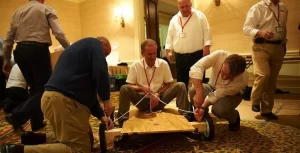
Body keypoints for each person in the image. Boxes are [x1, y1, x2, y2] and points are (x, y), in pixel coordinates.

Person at [0, 37, 115, 153]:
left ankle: (34, 138)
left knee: (85, 138)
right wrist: (106, 101)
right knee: (79, 149)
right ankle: (17, 151)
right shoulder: (94, 43)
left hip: (49, 99)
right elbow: (101, 71)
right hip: (65, 102)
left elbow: (90, 95)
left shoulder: (77, 55)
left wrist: (101, 116)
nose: (103, 57)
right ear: (101, 43)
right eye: (104, 53)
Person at [2, 0, 70, 132]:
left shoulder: (18, 11)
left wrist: (6, 59)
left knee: (34, 89)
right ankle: (16, 115)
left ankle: (37, 123)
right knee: (46, 90)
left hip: (20, 51)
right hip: (38, 51)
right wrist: (70, 49)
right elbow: (59, 33)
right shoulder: (46, 9)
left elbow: (9, 37)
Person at [117, 39, 190, 127]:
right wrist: (141, 88)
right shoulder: (136, 65)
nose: (153, 57)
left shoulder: (163, 64)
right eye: (149, 54)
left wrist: (158, 94)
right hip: (142, 101)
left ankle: (185, 117)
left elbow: (168, 84)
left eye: (154, 53)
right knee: (124, 88)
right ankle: (123, 121)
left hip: (159, 100)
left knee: (181, 85)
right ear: (142, 54)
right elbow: (130, 85)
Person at [243, 0, 288, 120]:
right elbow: (246, 28)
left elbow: (283, 27)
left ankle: (267, 110)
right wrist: (260, 32)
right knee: (264, 74)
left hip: (278, 47)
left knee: (272, 80)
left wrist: (284, 44)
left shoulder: (283, 7)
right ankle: (255, 100)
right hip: (260, 46)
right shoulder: (257, 8)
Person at [189, 50, 248, 131]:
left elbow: (218, 94)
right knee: (194, 91)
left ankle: (234, 117)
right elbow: (196, 67)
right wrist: (199, 92)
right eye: (223, 72)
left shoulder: (243, 80)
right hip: (212, 86)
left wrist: (203, 106)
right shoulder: (219, 55)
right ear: (223, 63)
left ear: (238, 74)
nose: (224, 77)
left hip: (231, 95)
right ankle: (203, 118)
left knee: (218, 110)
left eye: (229, 77)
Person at [165, 0, 212, 90]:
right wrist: (168, 50)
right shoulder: (174, 19)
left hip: (197, 55)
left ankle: (199, 103)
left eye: (187, 6)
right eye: (182, 7)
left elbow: (207, 32)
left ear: (191, 4)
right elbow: (169, 35)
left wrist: (207, 47)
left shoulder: (200, 16)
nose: (185, 9)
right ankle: (182, 103)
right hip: (180, 57)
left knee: (198, 82)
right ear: (178, 7)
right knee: (181, 84)